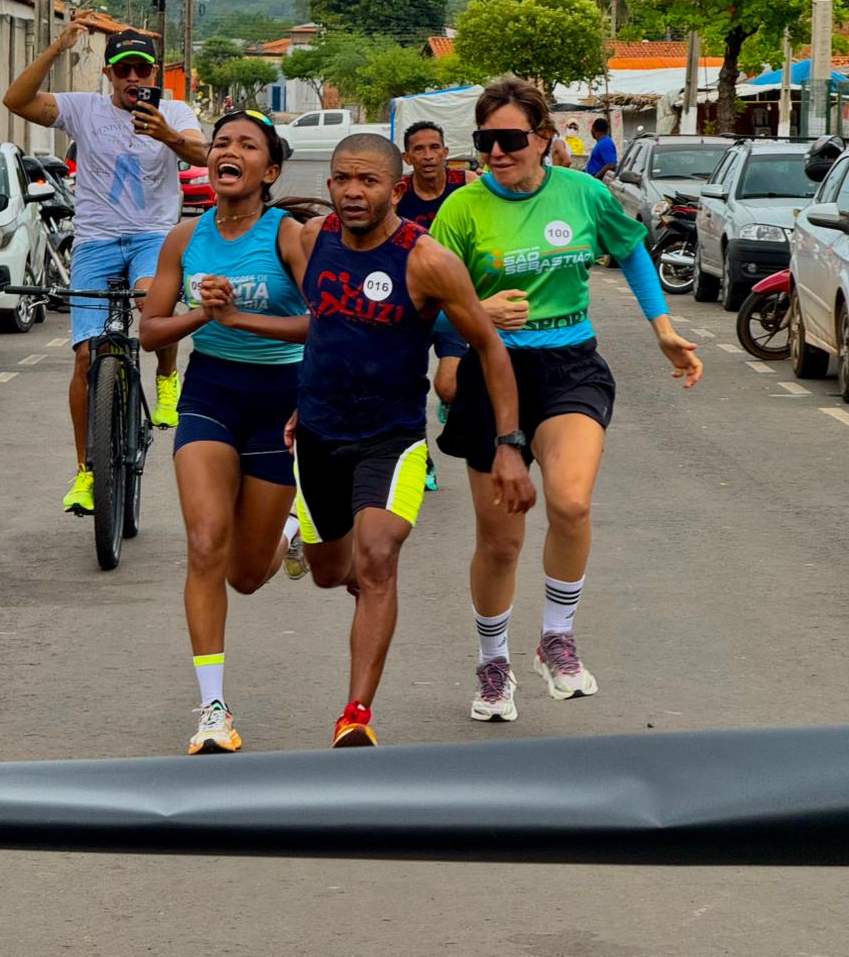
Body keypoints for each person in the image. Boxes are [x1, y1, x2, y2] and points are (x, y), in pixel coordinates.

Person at [204, 132, 534, 748]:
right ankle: (307, 544)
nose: (353, 192)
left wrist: (510, 444)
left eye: (369, 181)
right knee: (334, 574)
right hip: (320, 436)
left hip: (392, 437)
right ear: (328, 183)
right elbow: (324, 325)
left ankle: (355, 712)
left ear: (395, 187)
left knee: (379, 557)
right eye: (342, 180)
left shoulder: (427, 260)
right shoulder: (313, 239)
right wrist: (234, 318)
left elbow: (488, 344)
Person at [430, 75, 702, 724]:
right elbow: (429, 306)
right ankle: (493, 664)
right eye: (486, 139)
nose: (497, 152)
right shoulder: (461, 210)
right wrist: (476, 312)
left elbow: (632, 250)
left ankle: (556, 636)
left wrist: (663, 330)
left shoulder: (582, 193)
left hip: (571, 366)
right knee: (501, 542)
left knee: (572, 501)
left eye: (511, 138)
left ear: (545, 138)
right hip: (492, 374)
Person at [139, 109, 314, 755]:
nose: (227, 151)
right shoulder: (185, 240)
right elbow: (149, 331)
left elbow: (324, 324)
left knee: (244, 574)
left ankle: (291, 531)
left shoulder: (288, 236)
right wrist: (198, 315)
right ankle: (212, 709)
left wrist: (239, 318)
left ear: (269, 170)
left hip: (279, 400)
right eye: (220, 143)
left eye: (246, 145)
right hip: (209, 395)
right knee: (206, 542)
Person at [2, 23, 207, 514]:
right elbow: (16, 100)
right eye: (123, 70)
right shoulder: (83, 109)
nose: (133, 78)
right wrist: (56, 47)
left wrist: (169, 135)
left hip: (152, 236)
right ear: (109, 74)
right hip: (95, 241)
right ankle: (87, 474)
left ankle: (165, 379)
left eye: (142, 69)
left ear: (154, 72)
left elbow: (205, 152)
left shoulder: (174, 110)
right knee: (84, 357)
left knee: (148, 305)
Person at [398, 121, 478, 488]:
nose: (428, 156)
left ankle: (450, 400)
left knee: (448, 386)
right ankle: (421, 460)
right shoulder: (399, 195)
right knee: (405, 387)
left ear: (446, 152)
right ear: (407, 156)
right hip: (410, 307)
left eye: (435, 148)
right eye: (419, 149)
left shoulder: (469, 186)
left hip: (454, 304)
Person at [586, 116, 618, 181]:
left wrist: (596, 177)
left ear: (593, 129)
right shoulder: (601, 142)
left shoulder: (605, 143)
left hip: (598, 180)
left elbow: (611, 164)